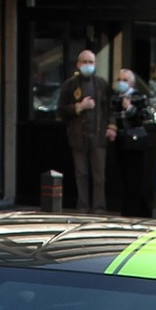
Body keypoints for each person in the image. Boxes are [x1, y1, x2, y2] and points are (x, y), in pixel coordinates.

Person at [58, 48, 111, 212]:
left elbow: (109, 109)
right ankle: (82, 207)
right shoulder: (70, 85)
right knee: (81, 174)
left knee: (99, 176)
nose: (88, 65)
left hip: (98, 136)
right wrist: (79, 107)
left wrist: (111, 127)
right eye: (85, 62)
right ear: (78, 64)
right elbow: (60, 110)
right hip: (78, 136)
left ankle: (99, 208)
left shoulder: (101, 84)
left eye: (91, 62)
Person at [108, 67, 153, 215]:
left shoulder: (139, 97)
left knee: (135, 177)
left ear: (131, 83)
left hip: (135, 142)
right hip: (120, 141)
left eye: (125, 80)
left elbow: (144, 117)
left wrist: (130, 109)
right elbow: (112, 116)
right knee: (124, 177)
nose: (121, 83)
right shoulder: (115, 98)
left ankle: (136, 210)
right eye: (119, 80)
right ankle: (126, 209)